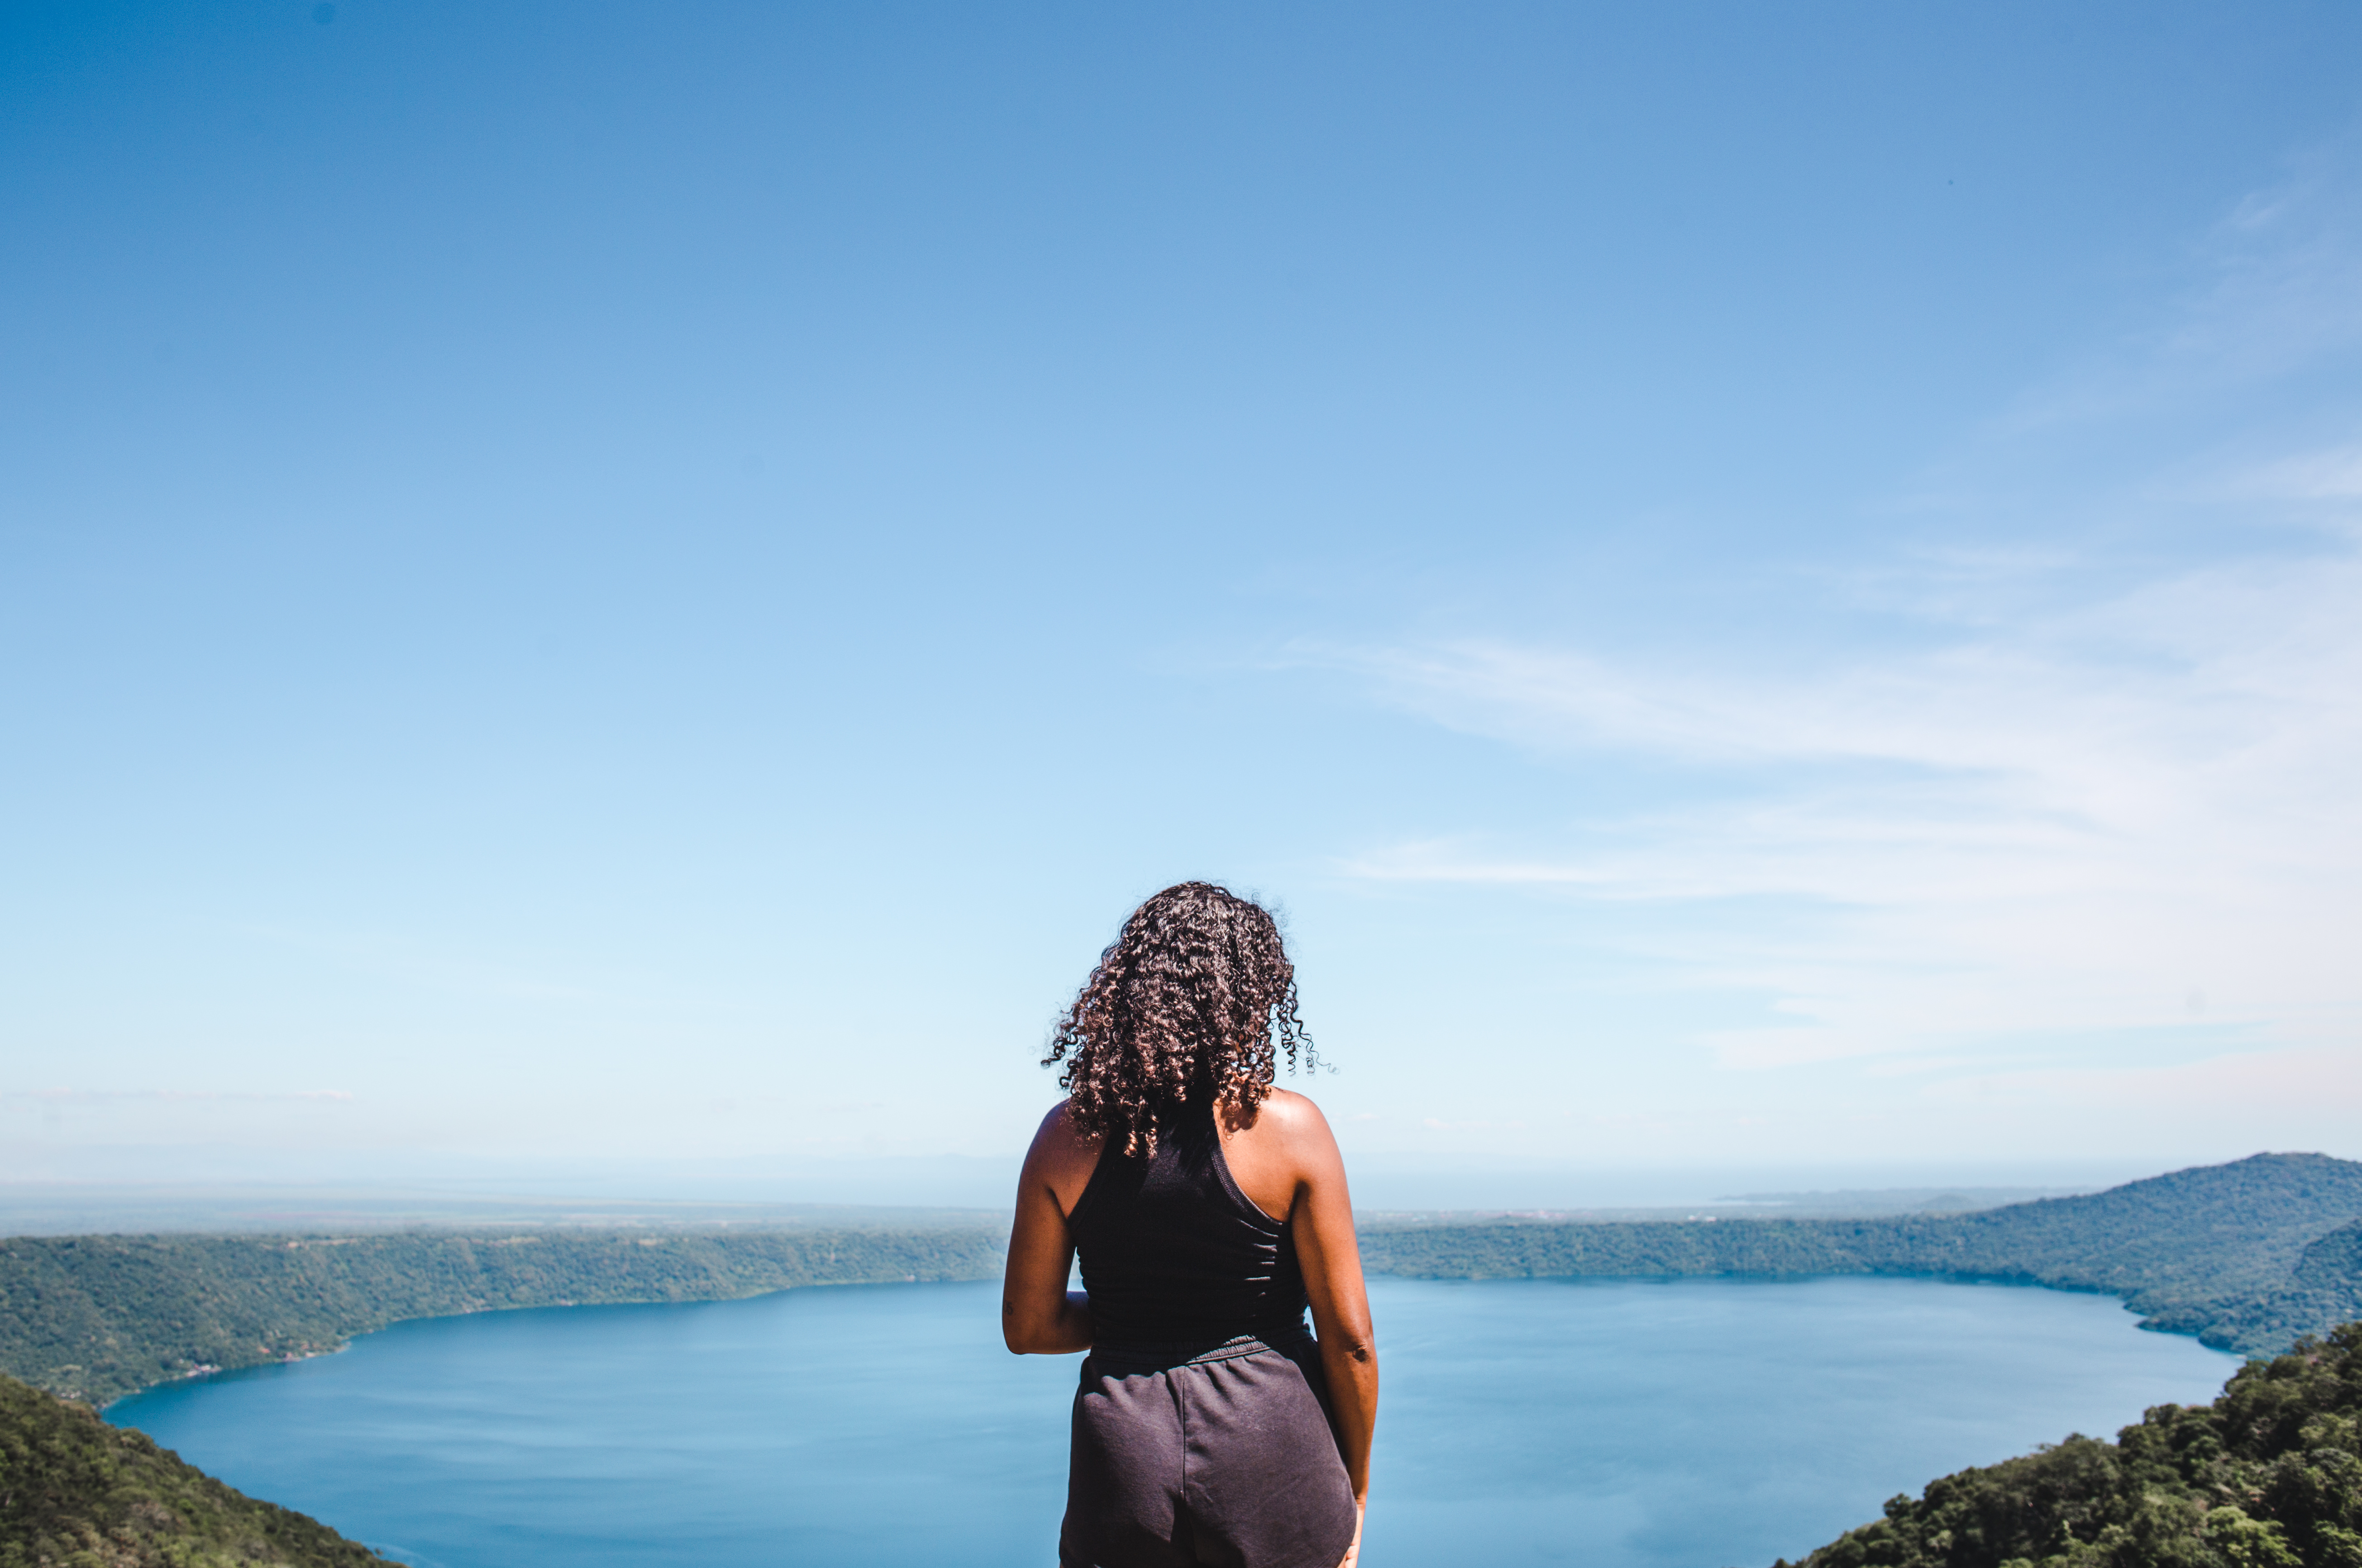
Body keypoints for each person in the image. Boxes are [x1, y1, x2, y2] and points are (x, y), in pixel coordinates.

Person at [1003, 882, 1377, 1568]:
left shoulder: (1066, 1136)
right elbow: (1350, 1341)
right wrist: (1353, 1492)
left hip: (1122, 1463)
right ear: (1251, 992)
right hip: (1278, 1462)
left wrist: (1133, 1318)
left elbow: (1028, 1327)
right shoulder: (1291, 1129)